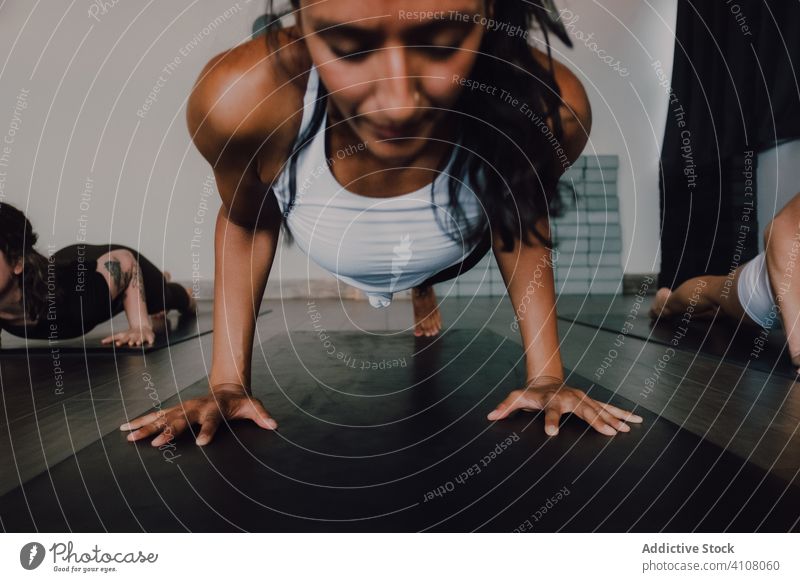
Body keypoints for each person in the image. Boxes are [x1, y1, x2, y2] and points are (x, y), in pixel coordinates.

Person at [121, 0, 643, 447]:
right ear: (299, 21)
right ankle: (419, 286)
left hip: (458, 244)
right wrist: (226, 383)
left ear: (489, 14)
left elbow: (517, 218)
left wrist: (548, 376)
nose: (397, 103)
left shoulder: (551, 109)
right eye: (348, 46)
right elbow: (247, 220)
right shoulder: (241, 101)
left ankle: (422, 285)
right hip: (323, 232)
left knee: (470, 218)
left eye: (440, 42)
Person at [0, 202, 196, 348]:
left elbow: (125, 262)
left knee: (161, 297)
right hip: (63, 265)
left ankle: (183, 293)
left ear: (17, 262)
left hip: (108, 263)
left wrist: (140, 325)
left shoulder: (77, 295)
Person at [650, 191, 800, 373]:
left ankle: (713, 313)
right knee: (713, 291)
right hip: (763, 290)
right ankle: (666, 303)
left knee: (716, 309)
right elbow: (778, 230)